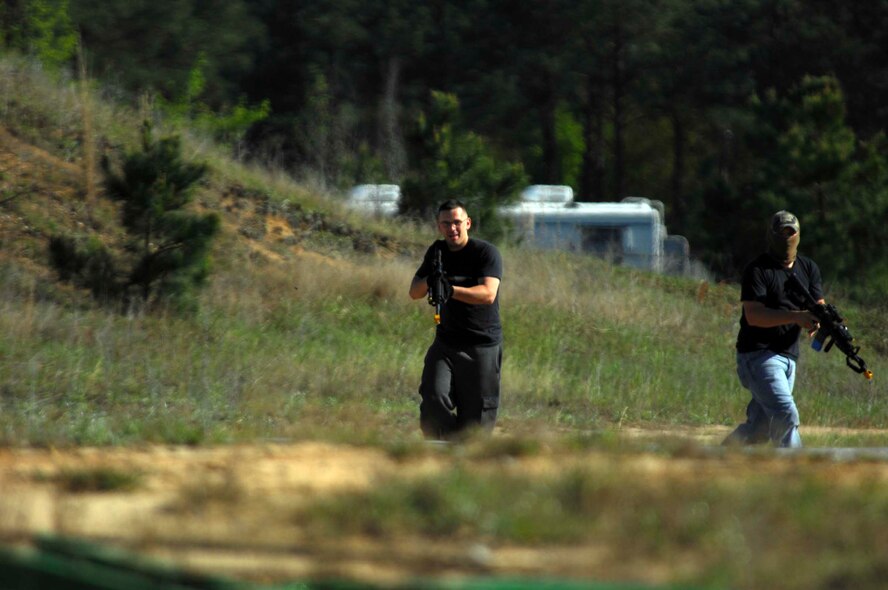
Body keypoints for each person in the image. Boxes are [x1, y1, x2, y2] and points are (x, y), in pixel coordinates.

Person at [723, 210, 823, 448]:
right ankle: (796, 467)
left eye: (791, 232)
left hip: (789, 356)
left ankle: (714, 459)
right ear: (771, 235)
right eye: (782, 233)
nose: (787, 238)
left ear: (798, 235)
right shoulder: (758, 270)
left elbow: (818, 304)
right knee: (785, 414)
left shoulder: (808, 268)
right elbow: (754, 315)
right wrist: (796, 317)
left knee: (760, 428)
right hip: (758, 356)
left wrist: (820, 319)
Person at [409, 200, 503, 441]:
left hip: (481, 345)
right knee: (433, 396)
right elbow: (414, 292)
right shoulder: (437, 252)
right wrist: (431, 281)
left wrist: (450, 290)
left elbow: (488, 294)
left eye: (457, 222)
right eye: (446, 224)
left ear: (468, 223)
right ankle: (444, 445)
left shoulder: (485, 253)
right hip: (446, 343)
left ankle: (466, 451)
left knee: (476, 423)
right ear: (438, 226)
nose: (452, 228)